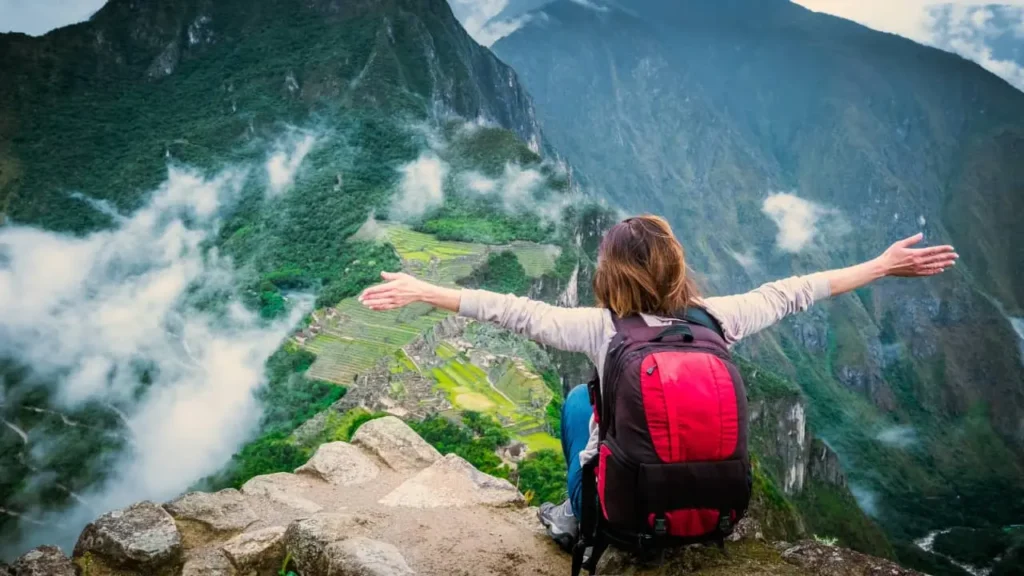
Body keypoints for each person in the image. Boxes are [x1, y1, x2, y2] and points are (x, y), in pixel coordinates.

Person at [358, 215, 957, 549]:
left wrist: (423, 290)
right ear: (677, 269)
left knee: (577, 402)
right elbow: (797, 290)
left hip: (625, 519)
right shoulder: (720, 319)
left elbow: (509, 309)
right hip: (715, 513)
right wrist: (881, 266)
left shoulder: (600, 330)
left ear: (609, 277)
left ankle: (574, 515)